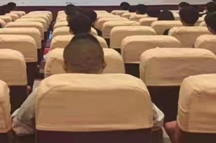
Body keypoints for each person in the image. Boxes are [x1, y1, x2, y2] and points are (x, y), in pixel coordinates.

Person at [11, 34, 165, 136]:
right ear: (104, 64)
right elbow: (157, 122)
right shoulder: (133, 88)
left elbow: (19, 126)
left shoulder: (46, 90)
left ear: (64, 65)